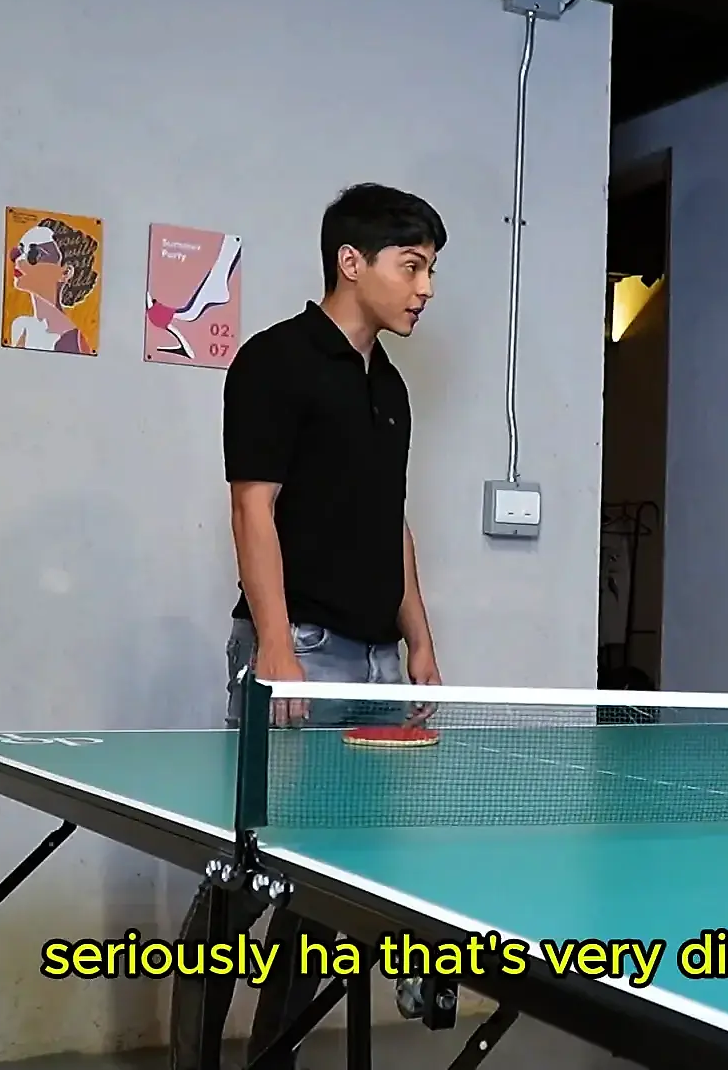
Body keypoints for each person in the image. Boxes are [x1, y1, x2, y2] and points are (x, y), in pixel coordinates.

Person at [169, 182, 447, 1070]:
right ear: (350, 262)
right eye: (412, 266)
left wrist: (419, 640)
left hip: (374, 664)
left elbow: (391, 519)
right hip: (301, 654)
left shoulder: (390, 387)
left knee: (325, 894)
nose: (426, 288)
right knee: (246, 879)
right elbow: (252, 507)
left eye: (432, 270)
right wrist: (278, 648)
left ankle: (273, 1060)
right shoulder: (275, 361)